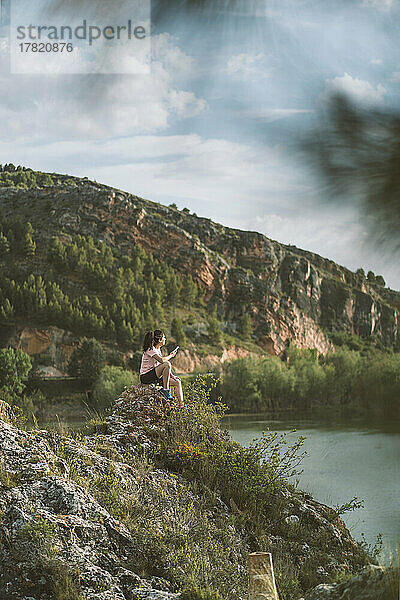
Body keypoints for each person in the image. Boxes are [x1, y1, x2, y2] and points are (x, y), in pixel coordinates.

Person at [139, 329, 185, 407]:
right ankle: (166, 390)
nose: (165, 339)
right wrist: (171, 355)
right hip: (146, 377)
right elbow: (162, 361)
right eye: (164, 337)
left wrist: (173, 377)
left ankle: (182, 406)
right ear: (160, 340)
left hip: (155, 376)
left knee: (177, 382)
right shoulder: (150, 349)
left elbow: (163, 367)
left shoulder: (158, 350)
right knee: (167, 364)